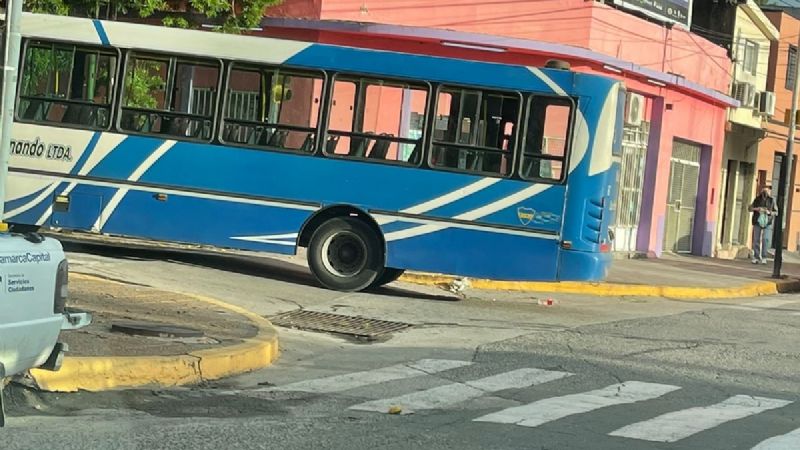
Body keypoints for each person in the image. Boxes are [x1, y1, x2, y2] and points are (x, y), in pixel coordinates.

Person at [750, 186, 778, 264]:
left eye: (767, 190)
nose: (765, 192)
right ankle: (756, 256)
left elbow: (776, 212)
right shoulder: (757, 199)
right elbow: (750, 208)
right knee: (756, 239)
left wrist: (769, 212)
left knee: (765, 239)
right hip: (757, 221)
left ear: (769, 191)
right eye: (764, 190)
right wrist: (757, 209)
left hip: (767, 222)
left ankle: (764, 256)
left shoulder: (772, 200)